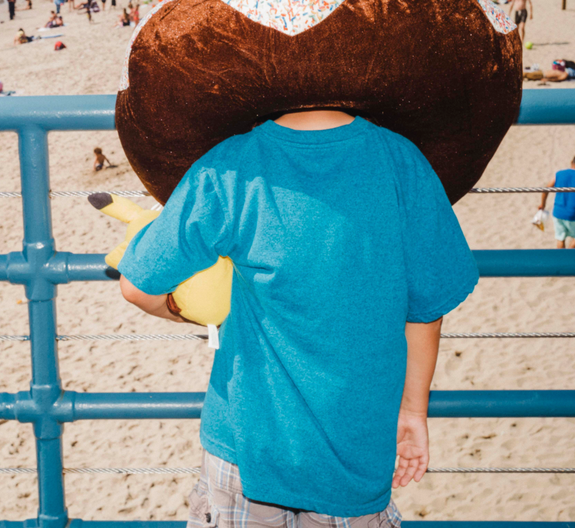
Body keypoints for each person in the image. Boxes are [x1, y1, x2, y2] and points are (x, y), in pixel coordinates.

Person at [115, 108, 478, 528]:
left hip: (244, 448)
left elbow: (138, 286)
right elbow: (427, 311)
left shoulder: (230, 164)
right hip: (355, 451)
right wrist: (413, 413)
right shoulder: (402, 161)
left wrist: (190, 311)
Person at [539, 155, 575, 249]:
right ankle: (570, 252)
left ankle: (562, 259)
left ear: (571, 162)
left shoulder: (559, 174)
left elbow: (545, 189)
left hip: (558, 212)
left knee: (560, 238)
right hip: (574, 213)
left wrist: (543, 204)